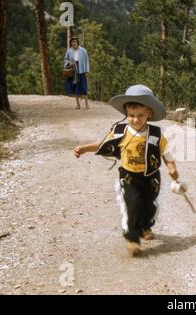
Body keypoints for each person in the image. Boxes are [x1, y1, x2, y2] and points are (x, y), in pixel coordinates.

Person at [73, 85, 180, 257]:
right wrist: (85, 148)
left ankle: (146, 225)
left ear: (149, 114)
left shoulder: (155, 134)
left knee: (149, 204)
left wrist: (172, 168)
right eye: (131, 115)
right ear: (125, 113)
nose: (135, 120)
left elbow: (166, 154)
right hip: (129, 176)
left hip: (151, 177)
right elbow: (102, 144)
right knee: (134, 204)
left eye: (140, 116)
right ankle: (133, 238)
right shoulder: (120, 132)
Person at [64, 37, 90, 109]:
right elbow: (66, 59)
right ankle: (78, 104)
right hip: (73, 70)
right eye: (72, 42)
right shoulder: (69, 51)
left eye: (75, 42)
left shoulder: (83, 50)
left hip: (81, 69)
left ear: (77, 42)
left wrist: (86, 70)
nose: (74, 43)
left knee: (84, 87)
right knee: (75, 87)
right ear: (71, 43)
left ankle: (86, 104)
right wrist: (69, 62)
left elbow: (86, 60)